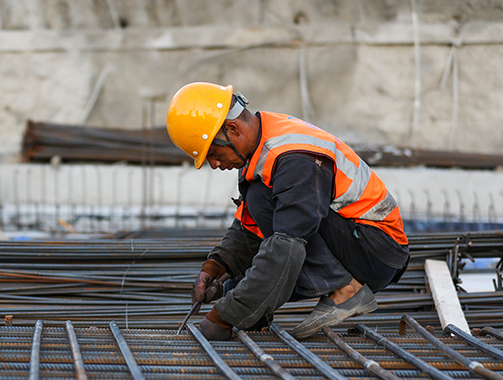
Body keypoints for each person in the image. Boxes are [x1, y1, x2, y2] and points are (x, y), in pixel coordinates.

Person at [166, 82, 410, 340]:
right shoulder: (262, 145)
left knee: (273, 228)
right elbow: (250, 228)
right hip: (355, 243)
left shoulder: (294, 158)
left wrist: (222, 317)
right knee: (232, 289)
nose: (214, 164)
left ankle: (345, 290)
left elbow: (286, 248)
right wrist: (216, 265)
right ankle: (263, 308)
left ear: (233, 128)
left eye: (214, 153)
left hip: (377, 251)